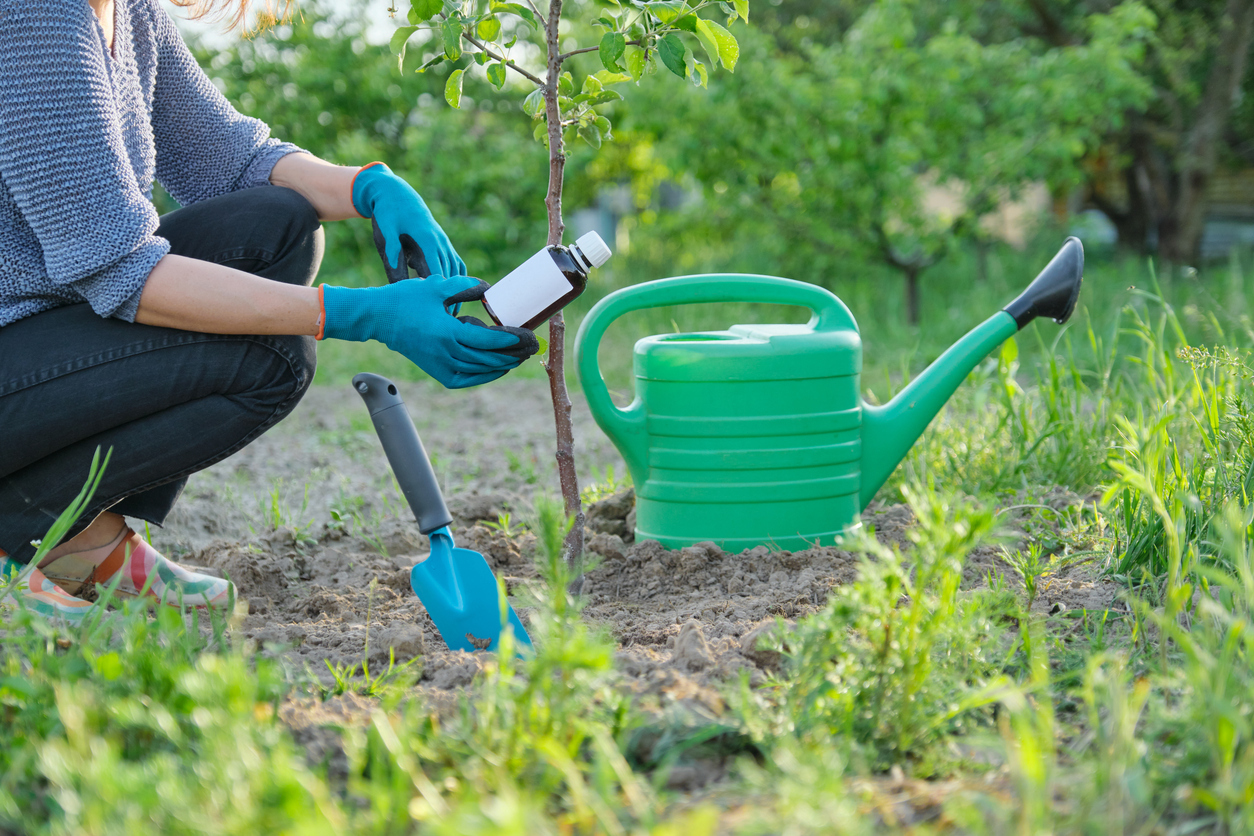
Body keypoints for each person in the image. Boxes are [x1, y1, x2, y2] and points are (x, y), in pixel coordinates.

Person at [0, 0, 537, 620]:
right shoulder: (33, 14)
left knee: (277, 224)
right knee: (271, 362)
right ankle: (34, 524)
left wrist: (369, 185)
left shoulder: (129, 12)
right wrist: (364, 313)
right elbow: (121, 270)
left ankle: (75, 537)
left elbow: (235, 160)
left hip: (37, 330)